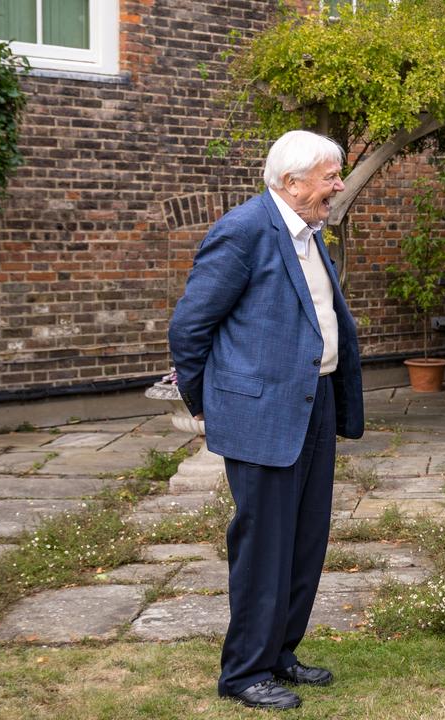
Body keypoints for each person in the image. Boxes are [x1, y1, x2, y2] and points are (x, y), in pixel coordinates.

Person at [168, 130, 365, 710]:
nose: (338, 185)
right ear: (291, 182)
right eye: (330, 176)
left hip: (314, 402)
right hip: (262, 413)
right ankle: (244, 673)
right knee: (263, 546)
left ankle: (280, 653)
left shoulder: (309, 232)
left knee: (305, 540)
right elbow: (190, 327)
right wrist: (206, 404)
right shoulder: (244, 229)